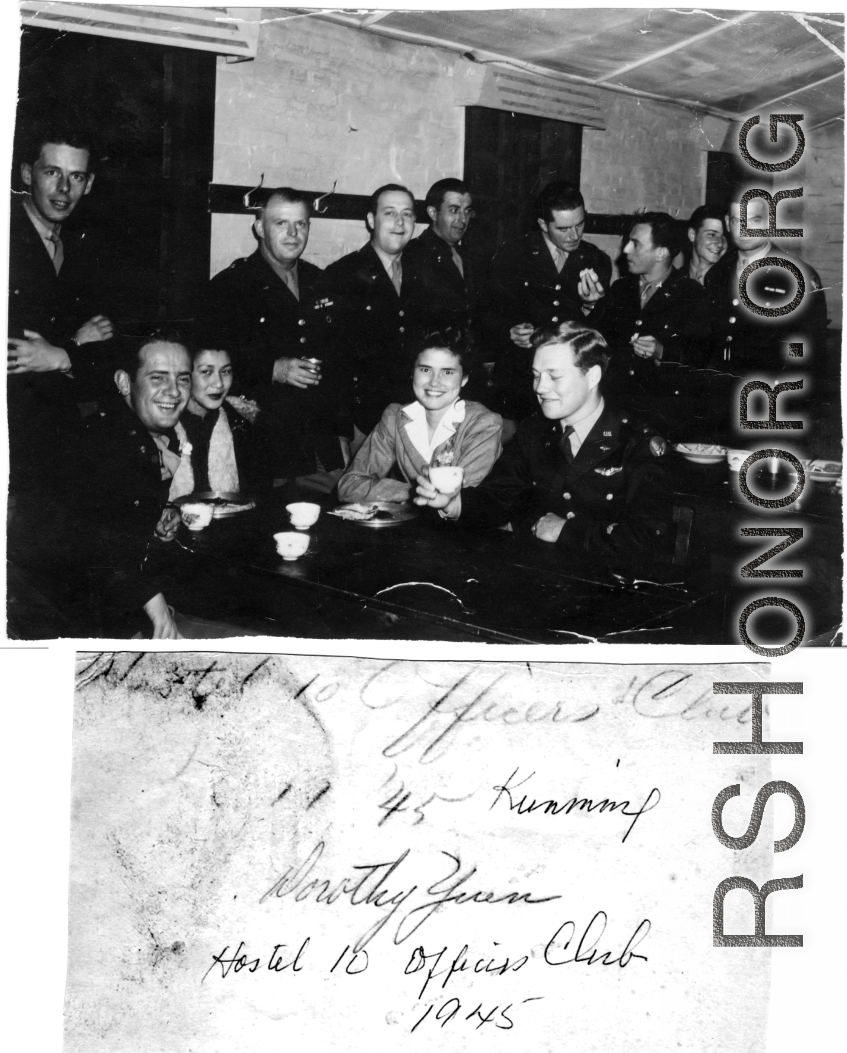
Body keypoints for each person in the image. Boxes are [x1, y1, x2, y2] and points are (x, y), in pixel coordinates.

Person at [414, 322, 672, 571]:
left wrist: (567, 532)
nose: (540, 387)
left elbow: (648, 538)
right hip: (538, 579)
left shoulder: (637, 440)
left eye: (554, 376)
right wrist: (453, 503)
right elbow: (498, 498)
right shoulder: (534, 432)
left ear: (592, 375)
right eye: (536, 376)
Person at [203, 187, 348, 485]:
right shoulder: (229, 287)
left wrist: (342, 433)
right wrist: (273, 369)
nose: (293, 233)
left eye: (301, 224)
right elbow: (209, 369)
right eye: (281, 223)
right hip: (263, 445)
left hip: (319, 444)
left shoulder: (320, 282)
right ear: (259, 228)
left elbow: (340, 364)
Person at [7, 122, 114, 505]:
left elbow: (104, 348)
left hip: (61, 443)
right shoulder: (7, 239)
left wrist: (62, 355)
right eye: (52, 172)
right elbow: (15, 355)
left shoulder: (84, 252)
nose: (64, 189)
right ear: (26, 173)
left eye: (76, 176)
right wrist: (73, 349)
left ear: (89, 184)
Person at [72, 331, 195, 639]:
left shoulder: (145, 436)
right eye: (158, 377)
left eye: (183, 379)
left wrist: (164, 513)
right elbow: (90, 540)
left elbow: (120, 514)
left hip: (125, 604)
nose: (174, 391)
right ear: (125, 383)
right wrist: (153, 601)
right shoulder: (102, 440)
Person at [482, 181, 612, 419]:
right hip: (520, 380)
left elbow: (604, 333)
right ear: (543, 224)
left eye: (580, 224)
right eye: (563, 229)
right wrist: (507, 330)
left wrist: (592, 305)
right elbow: (486, 314)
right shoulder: (512, 254)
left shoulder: (596, 260)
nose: (575, 235)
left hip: (569, 386)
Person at [337, 328, 502, 504]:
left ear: (464, 379)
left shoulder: (483, 424)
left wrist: (414, 493)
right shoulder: (395, 417)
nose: (434, 382)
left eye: (447, 372)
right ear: (412, 372)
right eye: (425, 369)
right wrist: (414, 492)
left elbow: (459, 502)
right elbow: (349, 486)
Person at [324, 183, 426, 435]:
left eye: (407, 214)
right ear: (371, 220)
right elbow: (334, 362)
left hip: (418, 413)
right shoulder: (342, 275)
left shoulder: (426, 274)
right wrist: (341, 430)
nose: (399, 223)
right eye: (389, 213)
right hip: (366, 419)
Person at [704, 193, 828, 373]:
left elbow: (806, 351)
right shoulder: (716, 274)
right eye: (737, 221)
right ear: (727, 223)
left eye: (754, 221)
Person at [600, 211, 709, 375]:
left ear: (661, 253)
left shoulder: (691, 294)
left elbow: (701, 356)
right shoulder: (620, 288)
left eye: (636, 244)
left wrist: (663, 352)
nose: (626, 249)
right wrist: (591, 305)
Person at [172, 347, 271, 498]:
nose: (219, 383)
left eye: (225, 371)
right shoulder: (162, 424)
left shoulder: (242, 425)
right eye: (206, 372)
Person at [404, 178, 476, 333]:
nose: (463, 220)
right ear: (432, 213)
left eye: (467, 211)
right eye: (454, 210)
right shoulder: (412, 254)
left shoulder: (470, 255)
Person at [685, 205, 727, 285]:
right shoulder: (673, 280)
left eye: (723, 236)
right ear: (692, 235)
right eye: (712, 235)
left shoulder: (731, 283)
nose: (720, 243)